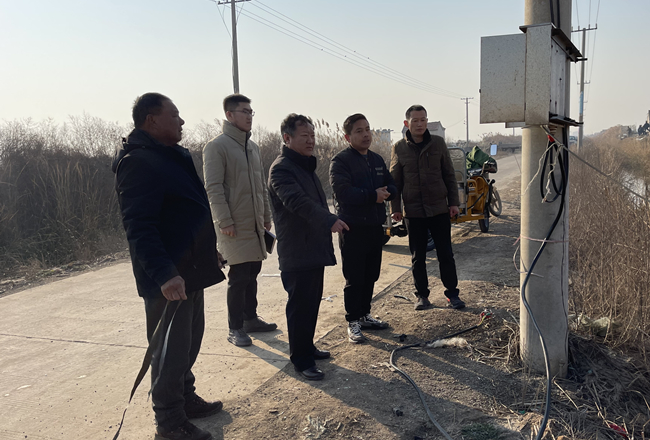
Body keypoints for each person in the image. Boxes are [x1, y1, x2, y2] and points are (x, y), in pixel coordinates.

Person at [112, 93, 225, 440]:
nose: (182, 121)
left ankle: (185, 398)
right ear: (151, 120)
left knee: (187, 344)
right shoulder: (138, 162)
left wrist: (208, 252)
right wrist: (164, 274)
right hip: (169, 278)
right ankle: (170, 421)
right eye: (174, 115)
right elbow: (140, 227)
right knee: (169, 352)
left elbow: (188, 212)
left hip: (190, 270)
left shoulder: (172, 156)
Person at [268, 113, 349, 381]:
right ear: (287, 138)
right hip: (297, 250)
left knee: (311, 302)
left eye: (313, 136)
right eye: (305, 136)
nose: (311, 141)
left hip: (312, 247)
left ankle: (307, 347)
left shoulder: (305, 166)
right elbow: (297, 202)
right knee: (300, 306)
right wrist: (329, 220)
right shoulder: (281, 169)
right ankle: (301, 359)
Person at [203, 94, 276, 348]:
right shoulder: (217, 146)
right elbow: (213, 188)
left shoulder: (252, 147)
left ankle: (250, 318)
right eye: (244, 111)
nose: (249, 116)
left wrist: (266, 216)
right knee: (239, 275)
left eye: (251, 111)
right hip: (233, 224)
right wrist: (224, 220)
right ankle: (235, 327)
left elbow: (260, 186)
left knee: (253, 270)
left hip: (254, 222)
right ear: (229, 115)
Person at [390, 105, 466, 311]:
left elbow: (449, 174)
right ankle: (422, 296)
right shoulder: (399, 148)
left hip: (439, 208)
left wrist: (453, 203)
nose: (420, 124)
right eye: (415, 120)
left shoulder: (438, 143)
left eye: (423, 119)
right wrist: (395, 208)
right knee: (418, 257)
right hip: (413, 212)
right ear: (407, 123)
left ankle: (452, 294)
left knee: (445, 253)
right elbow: (395, 181)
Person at [330, 113, 397, 343]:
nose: (366, 134)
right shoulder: (340, 161)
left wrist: (388, 193)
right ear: (347, 137)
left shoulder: (376, 160)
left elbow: (391, 184)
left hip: (374, 227)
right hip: (353, 228)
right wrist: (372, 196)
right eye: (359, 131)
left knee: (371, 274)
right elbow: (343, 193)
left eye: (368, 129)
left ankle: (365, 315)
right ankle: (353, 321)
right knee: (354, 277)